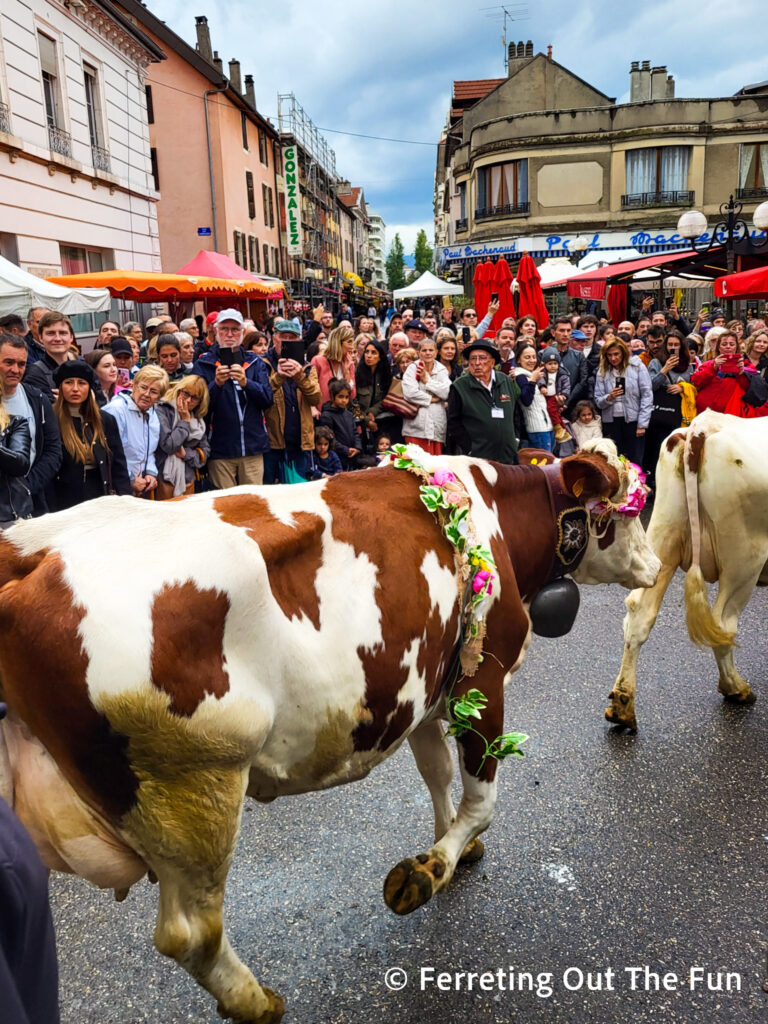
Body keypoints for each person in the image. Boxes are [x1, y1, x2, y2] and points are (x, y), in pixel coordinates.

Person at [194, 308, 273, 488]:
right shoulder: (203, 363)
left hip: (253, 447)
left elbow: (268, 400)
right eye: (224, 329)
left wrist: (247, 383)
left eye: (235, 329)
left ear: (243, 333)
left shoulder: (255, 362)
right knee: (226, 505)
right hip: (220, 449)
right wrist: (216, 385)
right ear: (215, 331)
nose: (229, 334)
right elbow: (199, 408)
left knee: (253, 504)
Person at [51, 360, 131, 509]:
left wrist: (126, 502)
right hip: (63, 502)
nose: (75, 389)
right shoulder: (50, 419)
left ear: (89, 387)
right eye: (69, 382)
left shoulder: (105, 420)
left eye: (81, 383)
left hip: (100, 498)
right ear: (60, 387)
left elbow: (118, 467)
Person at [0, 332, 62, 515]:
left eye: (21, 364)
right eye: (8, 362)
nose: (16, 370)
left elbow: (53, 451)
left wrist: (25, 486)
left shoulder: (37, 399)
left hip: (31, 504)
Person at [447, 339, 533, 464]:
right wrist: (469, 449)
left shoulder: (506, 381)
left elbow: (515, 414)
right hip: (478, 459)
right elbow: (453, 423)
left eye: (482, 358)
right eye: (473, 358)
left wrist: (516, 439)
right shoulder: (459, 387)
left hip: (508, 456)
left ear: (492, 362)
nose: (477, 363)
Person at [262, 320, 322, 483]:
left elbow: (316, 398)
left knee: (299, 492)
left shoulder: (307, 367)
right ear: (274, 338)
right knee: (271, 492)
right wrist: (279, 377)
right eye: (283, 336)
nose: (287, 341)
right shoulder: (263, 364)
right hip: (272, 443)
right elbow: (261, 397)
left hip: (300, 442)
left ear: (299, 341)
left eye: (292, 338)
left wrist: (299, 377)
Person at [102, 364, 169, 496]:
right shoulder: (115, 410)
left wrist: (150, 472)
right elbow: (108, 453)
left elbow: (149, 451)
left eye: (154, 392)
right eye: (143, 387)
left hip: (140, 487)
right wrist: (129, 479)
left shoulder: (152, 413)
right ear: (134, 385)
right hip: (117, 487)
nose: (146, 394)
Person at [644, 334, 695, 488]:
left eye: (676, 344)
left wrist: (682, 387)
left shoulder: (689, 365)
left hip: (679, 414)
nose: (673, 347)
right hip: (660, 414)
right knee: (657, 449)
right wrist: (664, 370)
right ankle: (654, 482)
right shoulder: (656, 362)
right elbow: (649, 386)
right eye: (670, 344)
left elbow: (694, 387)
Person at [593, 336, 653, 463]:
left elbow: (647, 396)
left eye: (616, 354)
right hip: (611, 422)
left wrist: (642, 424)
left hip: (633, 420)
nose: (613, 358)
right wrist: (609, 397)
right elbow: (598, 400)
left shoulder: (637, 367)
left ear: (623, 353)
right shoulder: (602, 370)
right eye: (609, 355)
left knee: (634, 461)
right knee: (613, 460)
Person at [154, 375, 210, 499]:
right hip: (164, 478)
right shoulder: (163, 409)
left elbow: (204, 453)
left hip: (188, 479)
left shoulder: (197, 419)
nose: (188, 400)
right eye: (186, 394)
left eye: (194, 398)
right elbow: (169, 445)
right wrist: (184, 421)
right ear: (179, 390)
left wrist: (186, 455)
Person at [691, 329, 768, 418]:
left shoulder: (746, 366)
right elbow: (697, 382)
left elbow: (754, 391)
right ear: (719, 347)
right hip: (708, 414)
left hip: (733, 415)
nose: (728, 347)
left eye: (732, 344)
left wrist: (741, 374)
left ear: (736, 347)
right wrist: (714, 367)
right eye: (724, 344)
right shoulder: (708, 364)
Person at [401, 336, 451, 455]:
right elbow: (410, 393)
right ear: (418, 353)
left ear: (436, 352)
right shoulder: (412, 368)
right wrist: (431, 399)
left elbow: (447, 392)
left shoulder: (442, 369)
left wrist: (427, 381)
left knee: (434, 466)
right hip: (415, 427)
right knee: (415, 466)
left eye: (430, 350)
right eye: (424, 350)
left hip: (436, 426)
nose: (427, 353)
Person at [23, 311, 77, 400]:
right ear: (41, 337)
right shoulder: (34, 374)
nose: (58, 338)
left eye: (63, 333)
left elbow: (99, 403)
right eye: (50, 333)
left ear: (71, 337)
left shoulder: (83, 367)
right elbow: (47, 410)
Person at [354, 340, 393, 451]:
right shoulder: (356, 374)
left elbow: (385, 399)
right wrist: (367, 420)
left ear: (380, 357)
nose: (369, 356)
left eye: (373, 353)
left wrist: (373, 412)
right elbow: (352, 402)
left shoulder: (385, 375)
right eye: (367, 352)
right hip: (358, 423)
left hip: (378, 421)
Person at [514, 343, 553, 451]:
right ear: (518, 360)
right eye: (527, 357)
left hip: (547, 426)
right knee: (543, 465)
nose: (532, 360)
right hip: (536, 429)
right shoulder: (520, 376)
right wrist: (532, 381)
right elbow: (526, 400)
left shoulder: (533, 374)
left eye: (534, 357)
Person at [311, 323, 356, 408]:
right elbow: (310, 389)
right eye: (349, 342)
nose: (352, 347)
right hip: (322, 414)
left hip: (341, 414)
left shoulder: (349, 363)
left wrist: (347, 373)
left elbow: (352, 395)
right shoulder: (318, 361)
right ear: (338, 343)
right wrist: (312, 408)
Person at [317, 379, 360, 470]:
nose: (344, 400)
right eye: (340, 397)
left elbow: (355, 432)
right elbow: (329, 439)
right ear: (332, 397)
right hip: (336, 459)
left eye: (346, 397)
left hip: (351, 456)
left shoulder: (348, 414)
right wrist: (345, 450)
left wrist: (357, 448)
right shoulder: (326, 416)